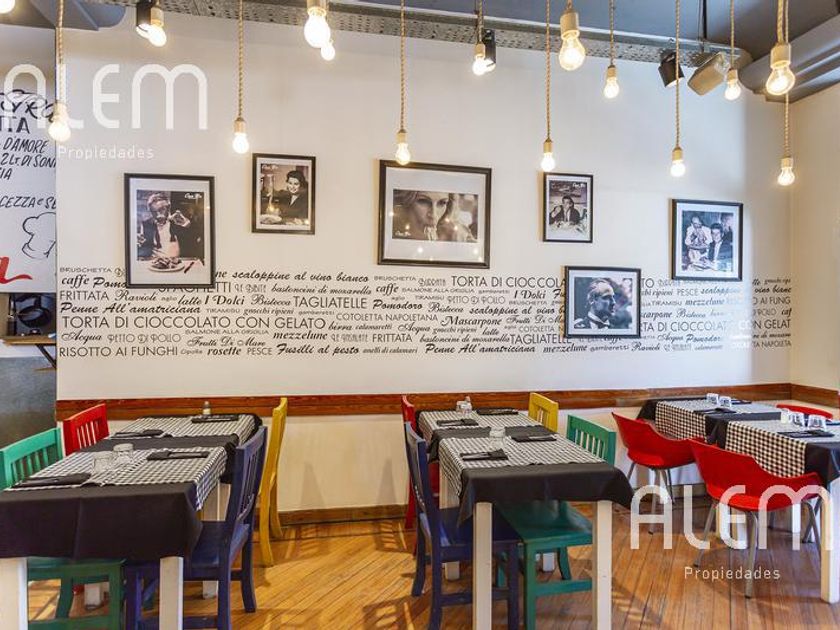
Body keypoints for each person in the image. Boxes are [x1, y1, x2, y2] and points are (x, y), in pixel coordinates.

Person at [137, 192, 203, 260]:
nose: (157, 214)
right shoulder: (146, 224)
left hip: (178, 261)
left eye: (161, 209)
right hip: (154, 261)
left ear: (168, 208)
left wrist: (187, 224)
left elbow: (196, 238)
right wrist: (138, 244)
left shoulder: (178, 221)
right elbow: (144, 248)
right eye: (154, 211)